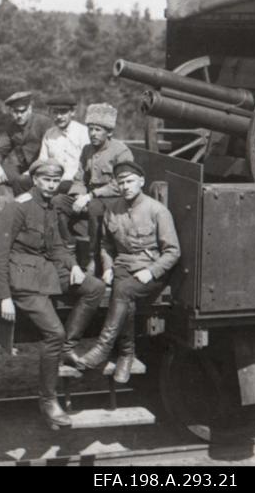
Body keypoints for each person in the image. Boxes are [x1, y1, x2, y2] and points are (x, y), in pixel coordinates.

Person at [0, 159, 105, 429]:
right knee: (54, 333)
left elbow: (57, 246)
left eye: (55, 180)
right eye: (46, 180)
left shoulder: (51, 206)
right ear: (36, 180)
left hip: (47, 271)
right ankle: (48, 400)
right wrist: (4, 296)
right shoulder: (19, 207)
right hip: (25, 280)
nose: (51, 185)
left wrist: (74, 266)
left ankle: (67, 348)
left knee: (95, 288)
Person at [76, 160, 180, 384]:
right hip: (123, 267)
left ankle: (103, 348)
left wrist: (151, 272)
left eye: (130, 181)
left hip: (151, 272)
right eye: (121, 182)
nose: (125, 186)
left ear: (141, 182)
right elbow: (106, 244)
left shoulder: (157, 211)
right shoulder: (113, 209)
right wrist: (108, 268)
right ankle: (126, 355)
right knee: (124, 297)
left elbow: (172, 252)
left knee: (122, 291)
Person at [62, 103, 134, 272]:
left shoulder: (121, 151)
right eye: (90, 129)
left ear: (109, 132)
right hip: (89, 196)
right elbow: (80, 177)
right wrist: (78, 195)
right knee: (59, 202)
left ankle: (93, 258)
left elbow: (120, 184)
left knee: (94, 208)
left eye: (98, 130)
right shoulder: (87, 149)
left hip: (113, 199)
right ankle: (68, 250)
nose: (92, 134)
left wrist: (90, 196)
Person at [0, 91, 53, 234]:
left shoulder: (44, 123)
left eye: (22, 111)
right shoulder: (12, 127)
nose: (19, 115)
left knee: (22, 179)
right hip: (23, 170)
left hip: (44, 171)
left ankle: (28, 222)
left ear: (30, 109)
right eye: (15, 112)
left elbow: (53, 152)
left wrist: (33, 170)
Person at [37, 94, 90, 193]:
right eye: (55, 112)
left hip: (77, 182)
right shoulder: (49, 134)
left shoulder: (83, 132)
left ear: (72, 112)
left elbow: (89, 162)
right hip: (53, 180)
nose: (59, 117)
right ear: (50, 113)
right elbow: (43, 160)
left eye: (63, 112)